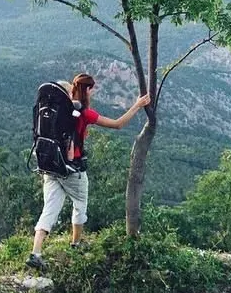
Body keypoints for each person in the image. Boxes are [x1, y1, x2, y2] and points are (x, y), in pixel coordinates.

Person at [27, 73, 150, 270]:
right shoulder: (82, 112)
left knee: (49, 209)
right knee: (80, 204)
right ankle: (76, 243)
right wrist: (137, 105)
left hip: (49, 167)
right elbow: (118, 124)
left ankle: (36, 252)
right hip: (71, 169)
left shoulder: (47, 112)